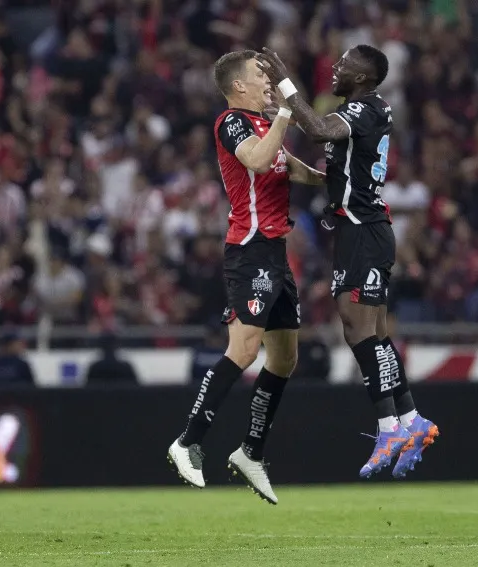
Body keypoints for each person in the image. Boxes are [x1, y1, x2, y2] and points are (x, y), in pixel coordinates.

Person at [256, 46, 438, 479]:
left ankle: (388, 426)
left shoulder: (363, 109)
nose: (334, 68)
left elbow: (318, 129)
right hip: (364, 230)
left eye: (343, 65)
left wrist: (285, 83)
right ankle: (410, 419)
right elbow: (331, 151)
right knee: (373, 331)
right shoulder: (366, 109)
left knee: (357, 327)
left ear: (363, 77)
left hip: (364, 232)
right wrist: (279, 108)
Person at [167, 50, 325, 505]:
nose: (270, 79)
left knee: (285, 359)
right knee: (245, 347)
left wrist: (331, 180)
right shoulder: (231, 122)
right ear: (239, 86)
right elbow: (257, 161)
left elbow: (288, 168)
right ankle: (187, 440)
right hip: (249, 249)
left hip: (276, 254)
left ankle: (250, 452)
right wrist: (286, 116)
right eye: (262, 74)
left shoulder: (266, 124)